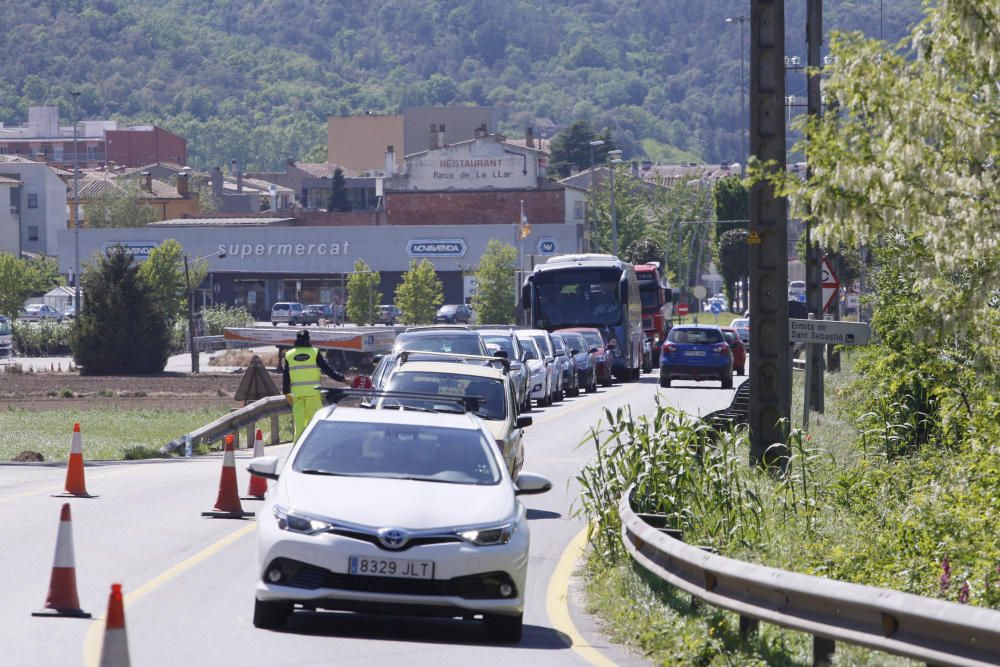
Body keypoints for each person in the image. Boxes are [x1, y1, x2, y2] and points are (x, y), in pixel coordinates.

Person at [282, 329, 347, 441]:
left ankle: (297, 454)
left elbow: (286, 377)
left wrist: (286, 392)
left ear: (296, 339)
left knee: (299, 428)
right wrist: (342, 379)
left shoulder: (289, 355)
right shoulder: (314, 353)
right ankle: (314, 453)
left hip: (297, 396)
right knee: (314, 428)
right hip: (313, 395)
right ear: (308, 339)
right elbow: (328, 370)